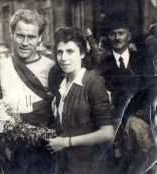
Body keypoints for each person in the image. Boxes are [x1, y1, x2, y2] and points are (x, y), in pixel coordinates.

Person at [0, 9, 55, 173]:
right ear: (12, 34)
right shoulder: (1, 67)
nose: (25, 42)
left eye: (31, 37)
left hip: (45, 151)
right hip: (12, 152)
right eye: (20, 35)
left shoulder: (52, 67)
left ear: (40, 38)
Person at [46, 27, 114, 174]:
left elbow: (107, 132)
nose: (64, 58)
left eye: (70, 51)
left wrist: (66, 142)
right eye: (60, 52)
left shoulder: (93, 83)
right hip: (66, 167)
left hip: (91, 167)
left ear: (82, 53)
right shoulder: (61, 85)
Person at [101, 12, 155, 173]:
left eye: (121, 33)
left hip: (141, 121)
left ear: (129, 36)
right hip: (115, 125)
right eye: (113, 34)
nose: (117, 37)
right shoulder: (103, 66)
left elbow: (152, 90)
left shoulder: (142, 60)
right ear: (108, 38)